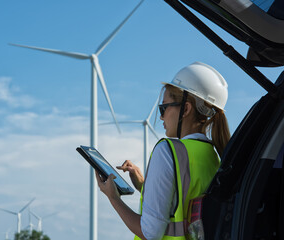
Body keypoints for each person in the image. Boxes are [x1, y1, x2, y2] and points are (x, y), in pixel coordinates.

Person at [95, 62, 231, 240]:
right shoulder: (214, 156)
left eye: (164, 107)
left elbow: (150, 233)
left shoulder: (168, 151)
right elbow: (182, 205)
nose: (161, 116)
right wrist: (145, 186)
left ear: (186, 109)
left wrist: (113, 198)